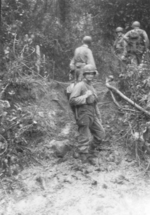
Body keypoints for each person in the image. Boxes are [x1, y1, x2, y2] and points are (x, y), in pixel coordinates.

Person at [69, 64, 105, 163]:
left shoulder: (92, 87)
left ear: (94, 75)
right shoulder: (80, 85)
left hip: (92, 113)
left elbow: (95, 103)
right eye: (88, 74)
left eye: (92, 74)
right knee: (84, 137)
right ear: (84, 74)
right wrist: (85, 96)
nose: (90, 76)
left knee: (100, 134)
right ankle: (82, 160)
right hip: (83, 113)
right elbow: (72, 100)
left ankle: (91, 152)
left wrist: (98, 116)